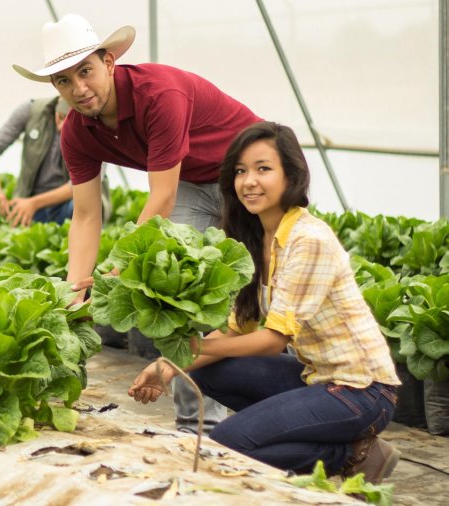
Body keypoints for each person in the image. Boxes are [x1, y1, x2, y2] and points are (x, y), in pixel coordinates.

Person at [14, 13, 262, 433]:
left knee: (264, 297)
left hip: (246, 177)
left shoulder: (158, 94)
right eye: (64, 81)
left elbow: (161, 197)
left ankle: (299, 401)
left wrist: (112, 275)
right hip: (190, 182)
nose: (80, 89)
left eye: (86, 71)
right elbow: (87, 215)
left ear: (109, 62)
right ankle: (198, 423)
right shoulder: (76, 132)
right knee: (183, 291)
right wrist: (76, 291)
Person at [129, 121, 401, 484]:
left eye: (263, 169)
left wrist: (191, 348)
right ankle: (331, 436)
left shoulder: (308, 239)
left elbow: (273, 341)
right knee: (209, 370)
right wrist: (170, 365)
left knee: (227, 443)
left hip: (362, 390)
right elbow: (235, 327)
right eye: (240, 171)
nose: (249, 181)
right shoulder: (256, 238)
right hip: (316, 377)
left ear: (291, 175)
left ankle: (351, 454)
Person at [0, 97, 110, 226]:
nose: (61, 127)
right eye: (61, 117)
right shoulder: (31, 111)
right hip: (30, 203)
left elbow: (89, 180)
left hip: (69, 206)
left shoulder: (97, 127)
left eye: (70, 121)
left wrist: (34, 203)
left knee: (84, 204)